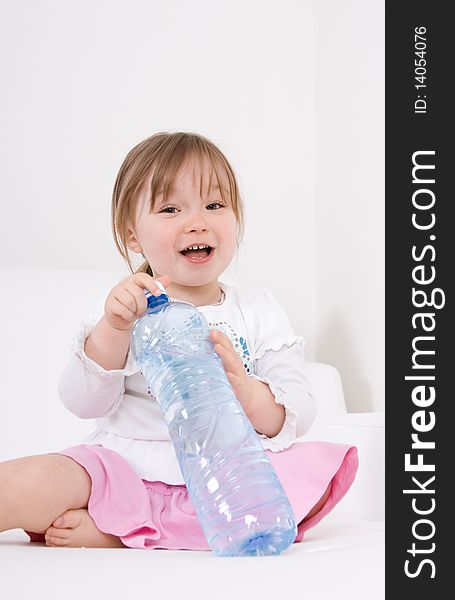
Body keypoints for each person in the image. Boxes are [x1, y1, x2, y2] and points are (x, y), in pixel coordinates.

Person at [0, 131, 358, 550]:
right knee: (36, 479)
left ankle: (117, 533)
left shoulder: (258, 310)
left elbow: (299, 410)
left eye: (215, 205)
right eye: (171, 208)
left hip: (226, 477)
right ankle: (124, 521)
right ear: (133, 235)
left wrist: (247, 391)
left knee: (292, 484)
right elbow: (82, 402)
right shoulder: (124, 309)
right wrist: (114, 330)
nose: (197, 221)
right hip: (125, 470)